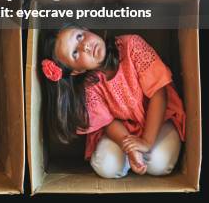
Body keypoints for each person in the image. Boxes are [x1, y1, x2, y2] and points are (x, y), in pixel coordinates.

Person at [40, 26, 185, 178]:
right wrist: (130, 148)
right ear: (77, 71)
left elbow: (159, 94)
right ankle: (132, 160)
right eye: (75, 53)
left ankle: (144, 154)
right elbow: (108, 122)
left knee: (159, 164)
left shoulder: (131, 45)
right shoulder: (89, 86)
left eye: (79, 37)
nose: (86, 47)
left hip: (159, 117)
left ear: (85, 29)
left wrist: (147, 141)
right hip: (124, 129)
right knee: (106, 166)